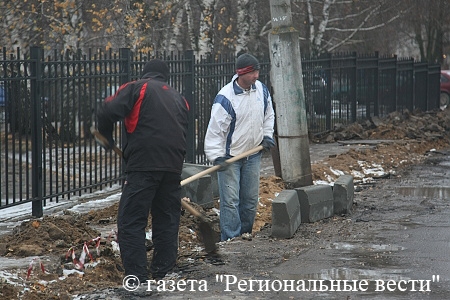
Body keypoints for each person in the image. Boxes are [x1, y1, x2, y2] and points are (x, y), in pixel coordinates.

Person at [96, 59, 190, 282]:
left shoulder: (137, 87)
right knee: (167, 220)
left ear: (145, 73)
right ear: (165, 77)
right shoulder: (179, 97)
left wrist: (107, 137)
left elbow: (106, 110)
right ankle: (164, 272)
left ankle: (136, 279)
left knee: (131, 221)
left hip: (144, 165)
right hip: (173, 165)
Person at [204, 53, 276, 241]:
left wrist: (267, 135)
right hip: (231, 159)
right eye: (253, 72)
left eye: (257, 71)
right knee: (230, 202)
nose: (257, 76)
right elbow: (215, 131)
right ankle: (230, 240)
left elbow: (269, 114)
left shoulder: (261, 90)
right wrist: (217, 156)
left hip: (253, 155)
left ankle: (245, 235)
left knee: (250, 200)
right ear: (242, 73)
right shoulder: (226, 98)